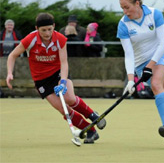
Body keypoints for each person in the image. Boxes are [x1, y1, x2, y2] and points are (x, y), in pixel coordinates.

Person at [6, 12, 106, 144]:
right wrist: (9, 73)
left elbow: (64, 62)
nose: (47, 33)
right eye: (43, 30)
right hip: (41, 80)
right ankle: (91, 130)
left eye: (49, 29)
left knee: (69, 98)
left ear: (54, 26)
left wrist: (63, 82)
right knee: (64, 110)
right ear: (37, 29)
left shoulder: (59, 39)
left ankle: (92, 115)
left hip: (58, 73)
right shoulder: (30, 40)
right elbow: (12, 55)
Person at [117, 0, 164, 144]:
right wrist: (129, 80)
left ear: (137, 3)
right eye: (122, 8)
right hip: (141, 64)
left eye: (127, 7)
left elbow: (162, 43)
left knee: (155, 84)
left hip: (159, 55)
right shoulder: (123, 24)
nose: (125, 11)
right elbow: (128, 54)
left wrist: (151, 65)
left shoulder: (154, 14)